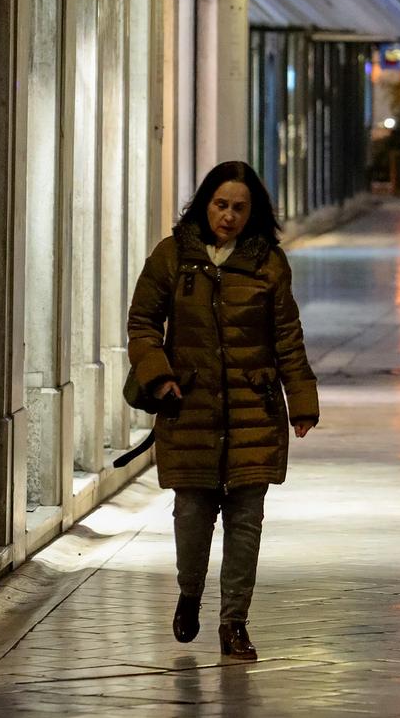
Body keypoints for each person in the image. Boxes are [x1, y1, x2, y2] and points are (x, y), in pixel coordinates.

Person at [127, 160, 319, 662]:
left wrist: (301, 401)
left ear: (253, 212)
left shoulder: (269, 264)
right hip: (188, 410)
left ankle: (234, 623)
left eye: (238, 207)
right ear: (204, 204)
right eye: (220, 205)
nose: (228, 216)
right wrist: (158, 373)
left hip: (253, 412)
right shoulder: (172, 257)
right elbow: (143, 322)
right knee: (191, 518)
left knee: (246, 524)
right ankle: (190, 592)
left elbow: (287, 339)